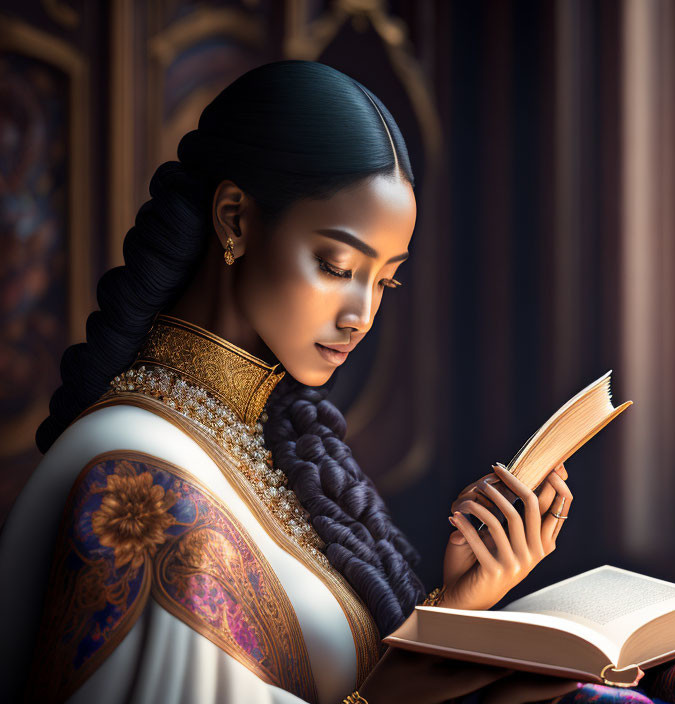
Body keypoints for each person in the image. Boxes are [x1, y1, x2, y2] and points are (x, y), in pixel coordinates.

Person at [0, 60, 579, 704]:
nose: (361, 315)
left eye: (385, 280)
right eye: (336, 265)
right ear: (235, 219)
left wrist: (460, 604)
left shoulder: (260, 434)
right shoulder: (140, 481)